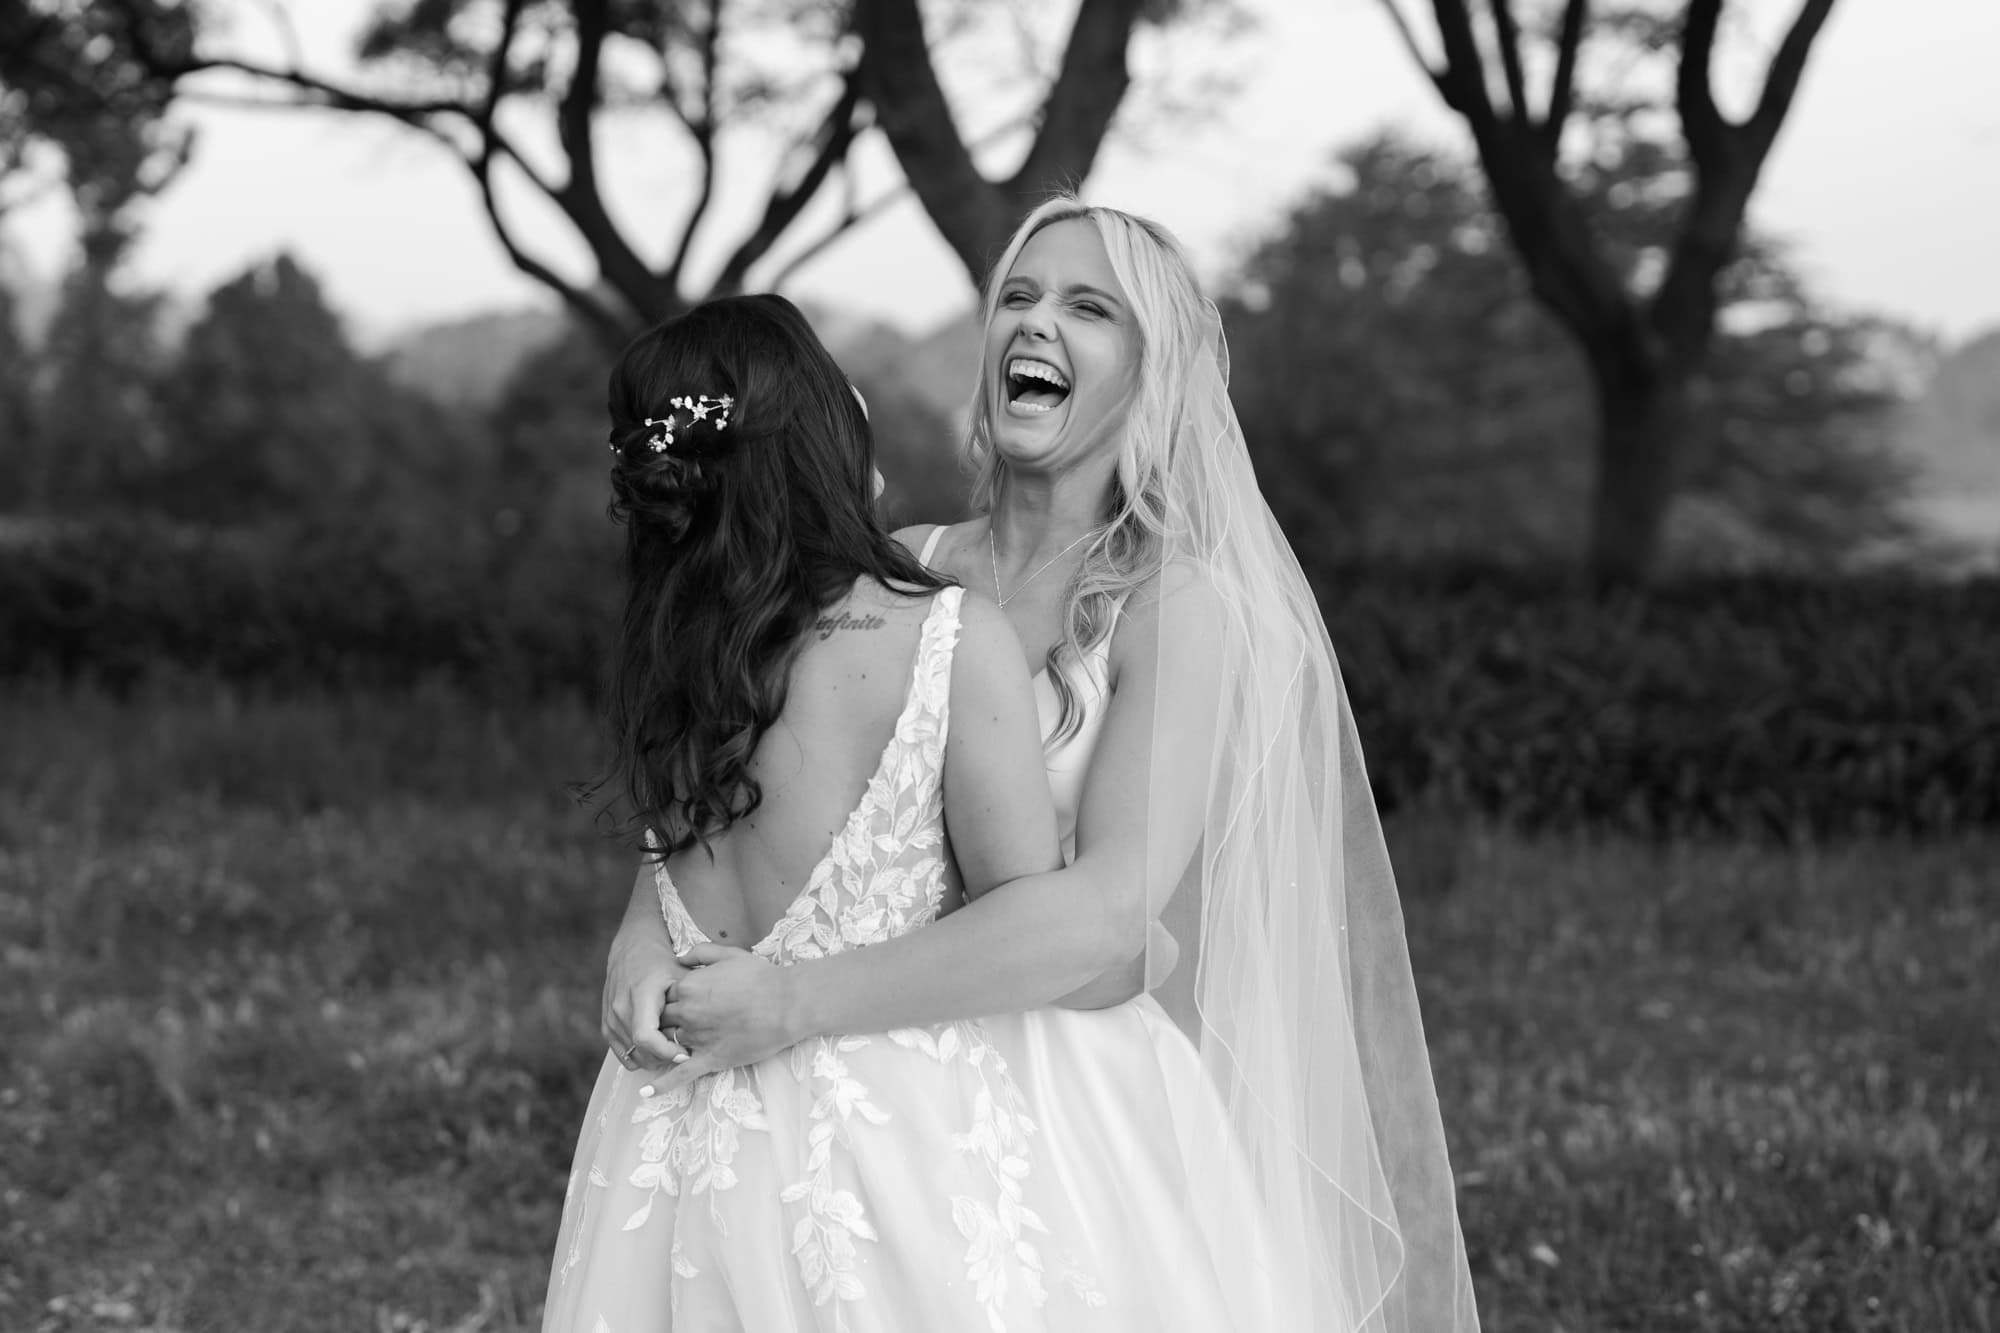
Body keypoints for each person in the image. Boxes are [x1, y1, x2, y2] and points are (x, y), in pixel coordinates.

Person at [591, 201, 1481, 1331]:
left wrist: (798, 1000)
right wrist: (643, 934)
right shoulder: (900, 564)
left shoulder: (1179, 604)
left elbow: (1110, 923)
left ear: (1151, 374)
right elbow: (717, 777)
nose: (1036, 322)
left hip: (1054, 1112)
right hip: (846, 1108)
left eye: (1087, 306)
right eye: (1018, 295)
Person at [546, 289, 1296, 1331]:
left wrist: (645, 945)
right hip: (885, 1122)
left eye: (1084, 305)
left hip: (678, 1123)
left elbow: (679, 849)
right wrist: (1133, 957)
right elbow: (1026, 906)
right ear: (820, 443)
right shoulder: (942, 629)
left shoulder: (699, 645)